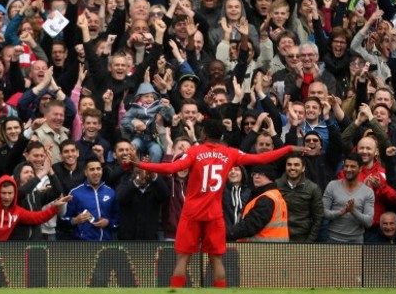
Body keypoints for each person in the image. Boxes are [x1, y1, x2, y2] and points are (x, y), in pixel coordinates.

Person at [129, 119, 304, 287]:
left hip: (192, 213)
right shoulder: (230, 153)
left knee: (183, 258)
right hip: (214, 214)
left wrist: (144, 165)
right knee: (217, 260)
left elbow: (172, 168)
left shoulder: (194, 152)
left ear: (204, 134)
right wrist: (288, 147)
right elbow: (261, 159)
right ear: (221, 136)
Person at [0, 175, 71, 241]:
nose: (7, 197)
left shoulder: (17, 211)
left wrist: (55, 208)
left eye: (10, 193)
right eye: (3, 193)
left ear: (15, 194)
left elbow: (37, 217)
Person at [227, 165, 289, 242]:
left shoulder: (266, 199)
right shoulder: (274, 195)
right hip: (273, 247)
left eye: (261, 173)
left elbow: (250, 225)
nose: (256, 177)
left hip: (262, 248)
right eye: (254, 174)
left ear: (269, 176)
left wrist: (227, 233)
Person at [63, 157, 120, 241]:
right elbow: (64, 220)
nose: (96, 172)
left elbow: (118, 218)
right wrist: (75, 220)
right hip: (83, 245)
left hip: (107, 243)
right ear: (85, 172)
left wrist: (108, 223)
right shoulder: (75, 193)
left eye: (98, 169)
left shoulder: (111, 192)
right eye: (92, 169)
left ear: (102, 171)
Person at [322, 154, 375, 243]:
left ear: (360, 168)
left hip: (356, 240)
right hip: (333, 238)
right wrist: (341, 212)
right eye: (346, 166)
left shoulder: (368, 192)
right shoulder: (332, 185)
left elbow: (369, 222)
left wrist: (353, 211)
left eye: (352, 166)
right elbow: (323, 212)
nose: (348, 169)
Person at [276, 152, 324, 242]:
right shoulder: (276, 185)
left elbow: (318, 217)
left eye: (296, 165)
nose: (292, 168)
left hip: (302, 238)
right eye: (289, 165)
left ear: (303, 168)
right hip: (279, 236)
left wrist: (309, 241)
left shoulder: (313, 188)